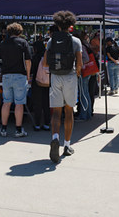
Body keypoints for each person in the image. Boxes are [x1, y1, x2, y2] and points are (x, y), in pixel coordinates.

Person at [44, 10, 83, 163]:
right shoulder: (75, 41)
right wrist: (77, 74)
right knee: (69, 111)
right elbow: (79, 63)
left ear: (57, 25)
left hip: (55, 76)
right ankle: (67, 145)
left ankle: (55, 138)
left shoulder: (51, 41)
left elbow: (46, 62)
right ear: (71, 25)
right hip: (70, 77)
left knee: (55, 112)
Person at [0, 22, 32, 137]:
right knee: (19, 103)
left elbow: (1, 58)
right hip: (19, 75)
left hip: (6, 75)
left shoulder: (3, 43)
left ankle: (3, 128)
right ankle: (18, 129)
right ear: (19, 32)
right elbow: (27, 60)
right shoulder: (23, 43)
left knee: (6, 102)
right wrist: (28, 75)